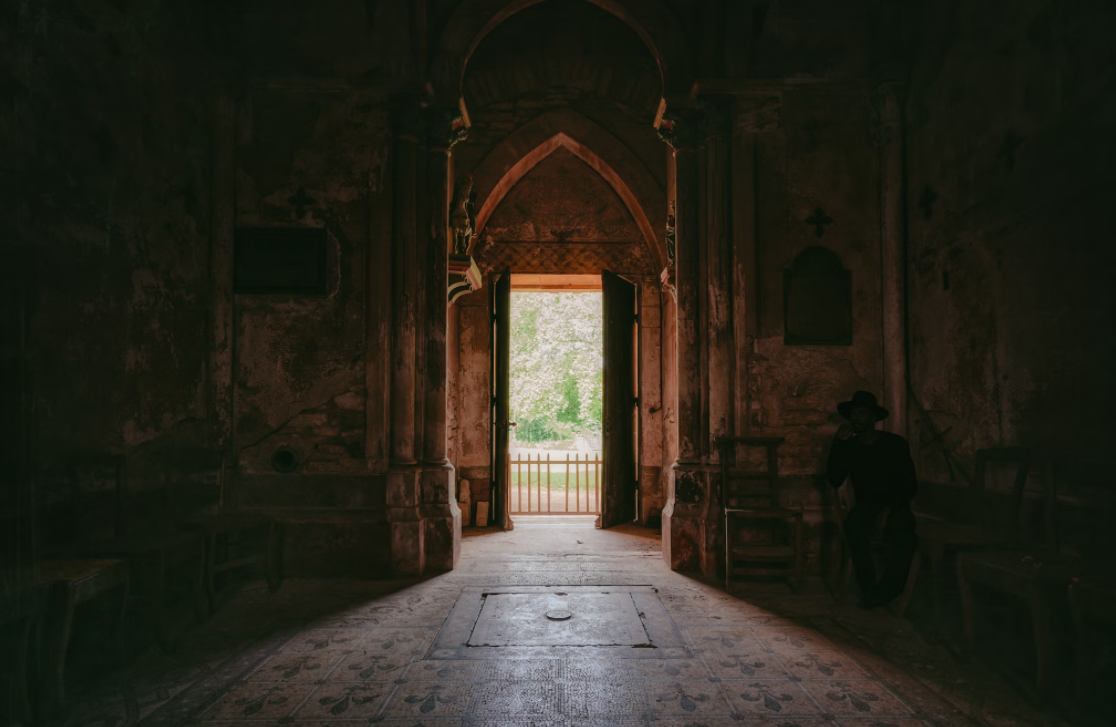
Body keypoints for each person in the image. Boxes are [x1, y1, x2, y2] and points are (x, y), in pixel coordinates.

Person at [827, 390, 918, 609]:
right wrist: (837, 444)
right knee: (854, 525)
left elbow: (910, 485)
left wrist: (888, 512)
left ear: (873, 418)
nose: (856, 418)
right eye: (853, 414)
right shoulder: (850, 447)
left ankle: (887, 590)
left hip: (896, 504)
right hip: (867, 507)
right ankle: (869, 588)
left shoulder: (895, 444)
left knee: (904, 531)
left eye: (862, 413)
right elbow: (834, 479)